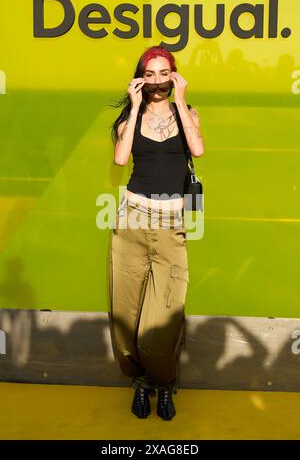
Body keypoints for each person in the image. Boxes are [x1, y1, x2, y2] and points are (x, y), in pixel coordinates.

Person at [108, 45, 204, 420]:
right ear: (140, 79)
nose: (158, 81)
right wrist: (132, 108)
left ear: (175, 76)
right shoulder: (129, 117)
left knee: (164, 317)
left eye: (165, 73)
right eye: (150, 74)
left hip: (170, 225)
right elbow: (120, 158)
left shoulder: (188, 113)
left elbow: (197, 147)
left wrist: (181, 100)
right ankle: (141, 384)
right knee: (126, 316)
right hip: (131, 219)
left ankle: (164, 385)